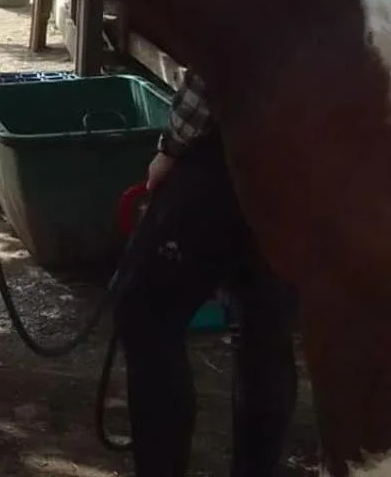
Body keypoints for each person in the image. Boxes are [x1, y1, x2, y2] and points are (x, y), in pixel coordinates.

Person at [113, 67, 298, 476]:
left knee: (143, 310)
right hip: (308, 160)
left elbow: (221, 58)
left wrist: (172, 146)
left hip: (235, 148)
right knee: (264, 328)